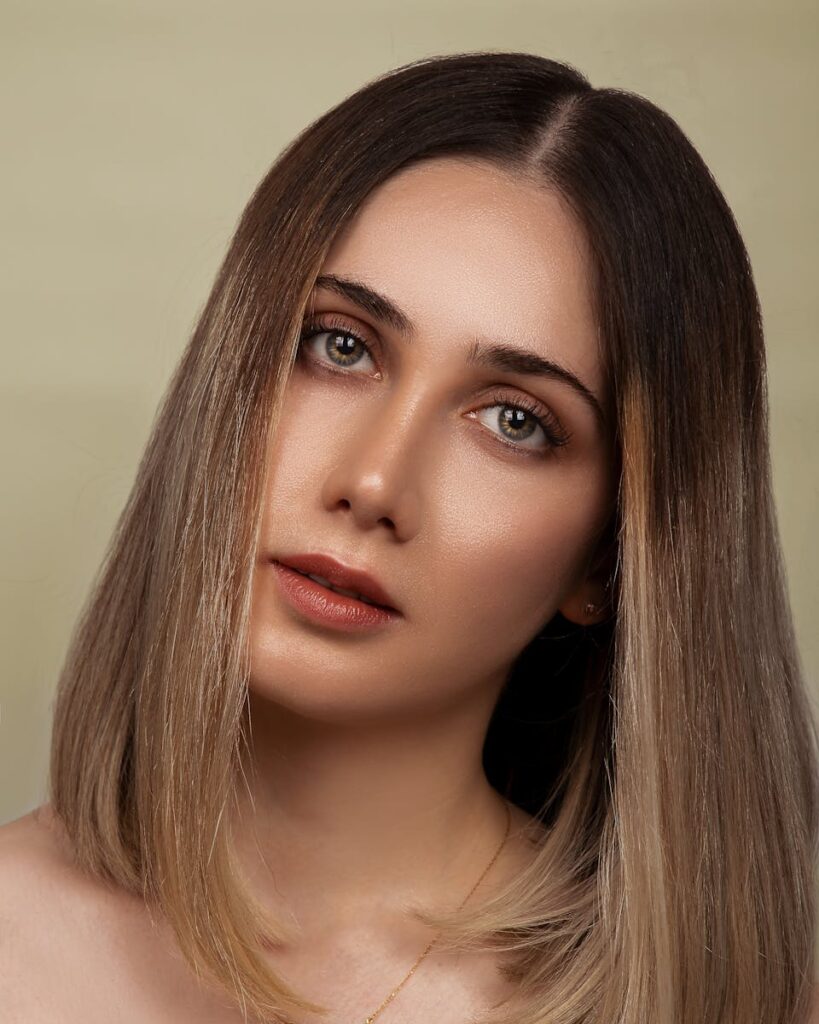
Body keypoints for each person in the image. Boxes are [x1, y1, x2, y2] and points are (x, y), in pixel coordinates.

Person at [0, 50, 817, 1024]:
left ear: (608, 559)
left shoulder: (746, 1000)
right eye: (339, 346)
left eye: (516, 419)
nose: (375, 482)